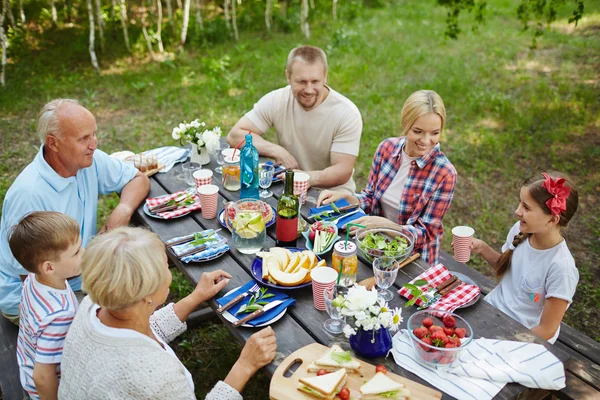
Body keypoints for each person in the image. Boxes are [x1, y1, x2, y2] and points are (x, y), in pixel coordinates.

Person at [59, 227, 277, 399]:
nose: (169, 272)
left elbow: (141, 328)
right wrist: (245, 365)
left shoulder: (91, 306)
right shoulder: (156, 378)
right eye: (165, 266)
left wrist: (195, 297)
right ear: (147, 294)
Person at [0, 99, 150, 324]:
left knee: (144, 283)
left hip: (80, 273)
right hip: (39, 295)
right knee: (122, 319)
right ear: (54, 143)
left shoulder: (87, 160)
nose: (94, 145)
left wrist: (123, 210)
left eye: (94, 134)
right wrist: (94, 296)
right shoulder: (29, 195)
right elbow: (28, 276)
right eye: (84, 139)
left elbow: (138, 179)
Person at [318, 90, 456, 266]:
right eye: (418, 131)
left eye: (435, 133)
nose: (426, 140)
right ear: (405, 124)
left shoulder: (444, 173)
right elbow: (370, 197)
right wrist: (348, 198)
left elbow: (426, 234)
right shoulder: (387, 148)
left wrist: (386, 226)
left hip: (414, 261)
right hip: (373, 246)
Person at [227, 45, 362, 194]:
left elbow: (342, 171)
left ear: (325, 76)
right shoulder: (277, 100)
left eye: (315, 81)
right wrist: (278, 151)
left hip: (332, 195)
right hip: (288, 187)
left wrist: (305, 178)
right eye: (302, 82)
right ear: (288, 76)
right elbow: (235, 135)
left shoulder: (347, 113)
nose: (309, 89)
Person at [470, 171, 579, 343]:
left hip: (521, 336)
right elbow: (508, 269)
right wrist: (482, 247)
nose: (517, 211)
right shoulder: (521, 230)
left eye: (526, 208)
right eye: (520, 203)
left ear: (552, 220)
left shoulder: (561, 269)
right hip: (492, 312)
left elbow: (547, 329)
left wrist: (503, 341)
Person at [8, 212, 82, 400]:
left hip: (27, 360)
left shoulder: (35, 279)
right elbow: (42, 377)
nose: (84, 253)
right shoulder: (59, 316)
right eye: (76, 252)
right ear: (49, 267)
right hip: (48, 386)